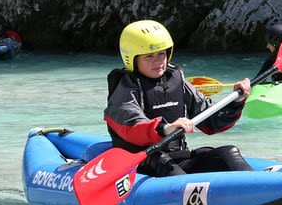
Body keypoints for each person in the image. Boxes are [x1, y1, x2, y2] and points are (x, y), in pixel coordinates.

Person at [104, 19, 253, 177]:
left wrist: (235, 102)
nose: (158, 61)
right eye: (149, 56)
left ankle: (259, 188)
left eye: (162, 53)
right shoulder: (125, 87)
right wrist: (166, 128)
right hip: (143, 163)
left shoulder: (175, 79)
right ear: (132, 58)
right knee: (163, 163)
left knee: (227, 153)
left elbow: (210, 122)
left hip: (178, 157)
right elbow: (132, 126)